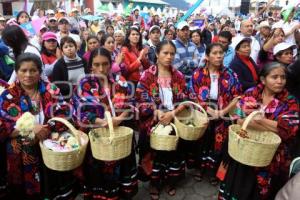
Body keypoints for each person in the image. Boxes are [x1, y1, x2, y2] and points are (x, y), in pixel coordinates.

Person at [219, 62, 299, 200]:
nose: (280, 81)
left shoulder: (290, 101)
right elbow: (237, 119)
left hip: (269, 156)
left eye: (283, 77)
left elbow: (290, 130)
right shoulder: (252, 93)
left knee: (257, 191)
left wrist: (258, 119)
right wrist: (273, 126)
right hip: (244, 150)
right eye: (274, 77)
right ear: (263, 79)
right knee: (237, 186)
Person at [0, 53, 72, 199]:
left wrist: (46, 128)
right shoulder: (8, 95)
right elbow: (4, 126)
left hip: (50, 147)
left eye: (33, 70)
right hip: (21, 153)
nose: (28, 74)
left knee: (51, 186)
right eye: (23, 70)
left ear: (40, 72)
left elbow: (64, 113)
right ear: (17, 72)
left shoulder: (51, 90)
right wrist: (30, 129)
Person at [72, 47, 138, 200]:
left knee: (122, 165)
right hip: (98, 137)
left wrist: (120, 118)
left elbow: (132, 103)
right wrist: (103, 122)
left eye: (105, 64)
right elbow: (80, 110)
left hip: (120, 133)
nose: (101, 68)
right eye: (96, 64)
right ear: (90, 65)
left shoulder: (120, 81)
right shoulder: (85, 84)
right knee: (99, 171)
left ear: (111, 63)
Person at [136, 41, 187, 200]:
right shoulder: (147, 75)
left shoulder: (178, 75)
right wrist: (156, 111)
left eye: (172, 53)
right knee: (155, 154)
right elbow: (140, 97)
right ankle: (154, 183)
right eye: (165, 53)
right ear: (157, 54)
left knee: (173, 152)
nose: (169, 56)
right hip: (154, 120)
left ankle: (171, 181)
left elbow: (186, 98)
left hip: (174, 119)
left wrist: (173, 113)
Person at [191, 43, 242, 185]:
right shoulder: (198, 73)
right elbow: (193, 94)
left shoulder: (230, 74)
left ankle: (214, 172)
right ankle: (199, 169)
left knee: (219, 143)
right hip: (203, 112)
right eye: (214, 53)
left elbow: (237, 96)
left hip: (223, 112)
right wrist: (207, 109)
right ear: (207, 56)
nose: (219, 56)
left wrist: (223, 112)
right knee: (202, 141)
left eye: (221, 53)